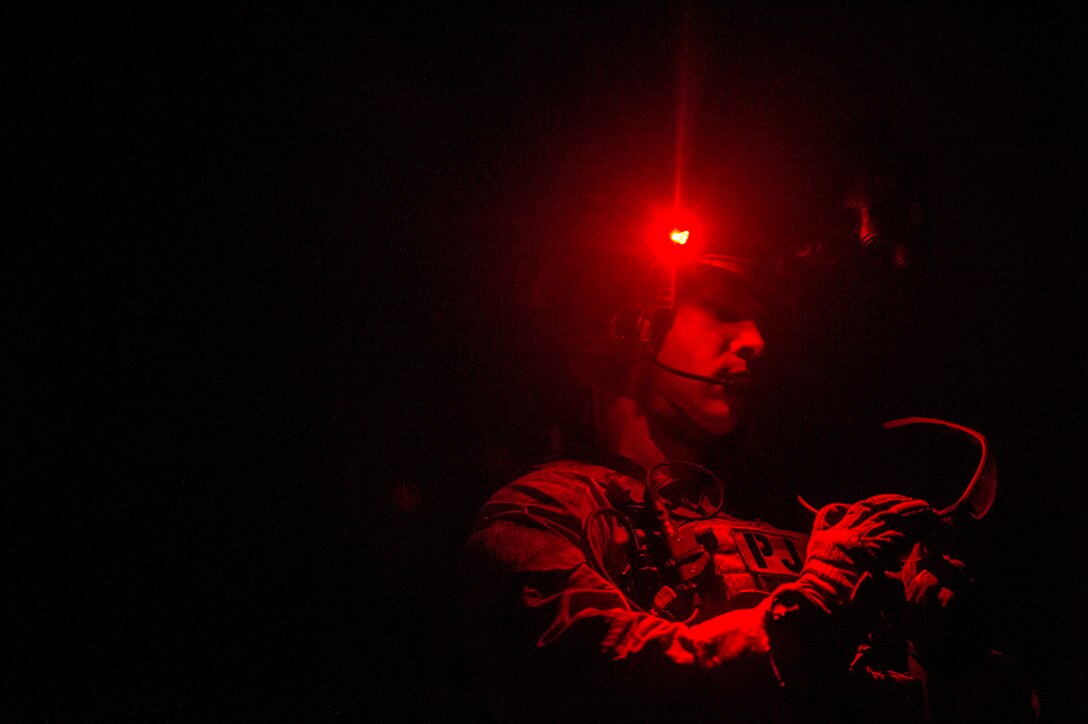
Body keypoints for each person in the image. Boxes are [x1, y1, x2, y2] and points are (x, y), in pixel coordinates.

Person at [460, 224, 1038, 722]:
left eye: (762, 320)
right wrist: (816, 604)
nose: (758, 342)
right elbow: (603, 690)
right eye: (725, 309)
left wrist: (944, 663)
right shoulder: (539, 514)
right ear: (630, 322)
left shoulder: (796, 534)